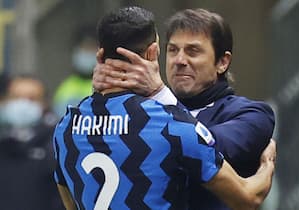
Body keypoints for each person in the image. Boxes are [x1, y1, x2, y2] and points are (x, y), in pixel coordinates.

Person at [53, 6, 276, 210]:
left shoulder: (253, 115)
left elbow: (210, 146)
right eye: (172, 50)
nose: (179, 60)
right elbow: (189, 143)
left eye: (193, 51)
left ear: (222, 62)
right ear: (155, 53)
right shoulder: (157, 122)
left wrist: (157, 93)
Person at [0, 74, 64, 210]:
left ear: (44, 104)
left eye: (32, 99)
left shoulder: (58, 145)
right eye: (16, 97)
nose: (23, 104)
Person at [53, 26, 97, 117]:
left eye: (92, 48)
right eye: (84, 48)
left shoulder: (111, 85)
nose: (87, 53)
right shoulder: (65, 87)